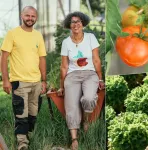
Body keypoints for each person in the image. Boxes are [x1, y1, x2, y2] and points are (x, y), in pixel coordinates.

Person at [1, 6, 47, 150]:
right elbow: (4, 58)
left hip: (36, 82)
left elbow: (42, 59)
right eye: (27, 15)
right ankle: (22, 143)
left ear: (36, 18)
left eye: (33, 16)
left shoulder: (38, 35)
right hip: (19, 82)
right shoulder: (12, 34)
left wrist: (44, 80)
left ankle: (29, 134)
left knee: (33, 113)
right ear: (22, 15)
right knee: (21, 113)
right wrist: (6, 80)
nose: (30, 19)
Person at [57, 11, 105, 150]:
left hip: (90, 74)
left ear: (83, 23)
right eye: (73, 22)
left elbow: (96, 60)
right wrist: (61, 86)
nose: (76, 24)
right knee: (71, 106)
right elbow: (64, 66)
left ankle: (85, 119)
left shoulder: (90, 38)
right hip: (72, 76)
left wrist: (100, 78)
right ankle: (74, 139)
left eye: (78, 21)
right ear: (69, 25)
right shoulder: (66, 42)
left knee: (89, 98)